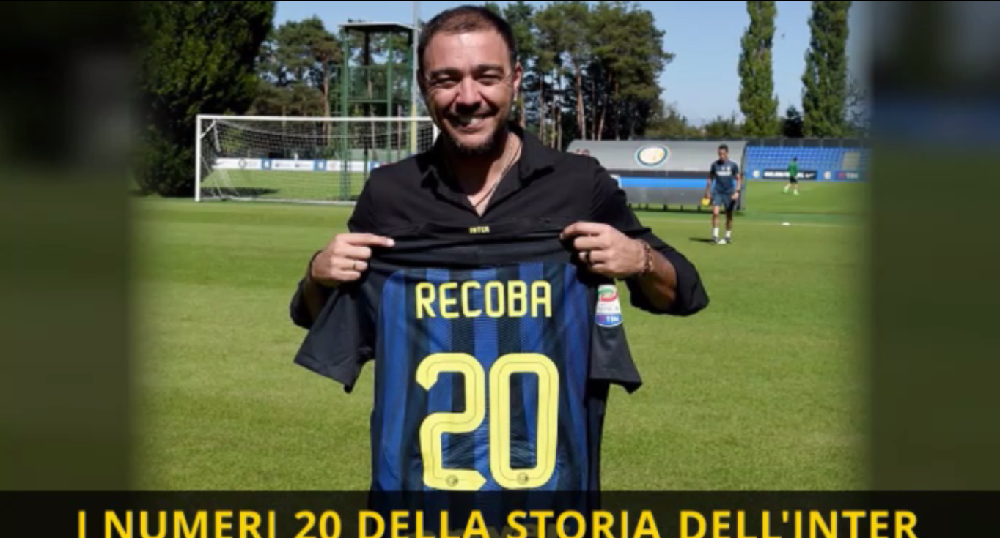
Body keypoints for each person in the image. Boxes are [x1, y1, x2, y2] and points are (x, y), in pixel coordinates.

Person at [289, 5, 708, 502]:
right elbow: (316, 315)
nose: (468, 98)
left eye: (486, 77)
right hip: (419, 504)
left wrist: (639, 259)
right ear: (424, 87)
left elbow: (685, 292)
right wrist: (319, 274)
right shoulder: (389, 193)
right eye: (446, 80)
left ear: (515, 79)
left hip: (550, 507)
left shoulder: (578, 184)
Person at [703, 144, 742, 245]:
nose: (721, 156)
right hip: (718, 192)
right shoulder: (714, 165)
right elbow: (710, 178)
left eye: (723, 154)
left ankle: (727, 236)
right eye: (719, 154)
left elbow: (738, 179)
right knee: (715, 213)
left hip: (729, 192)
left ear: (727, 153)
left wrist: (737, 191)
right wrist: (707, 191)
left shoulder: (733, 165)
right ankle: (715, 236)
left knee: (729, 215)